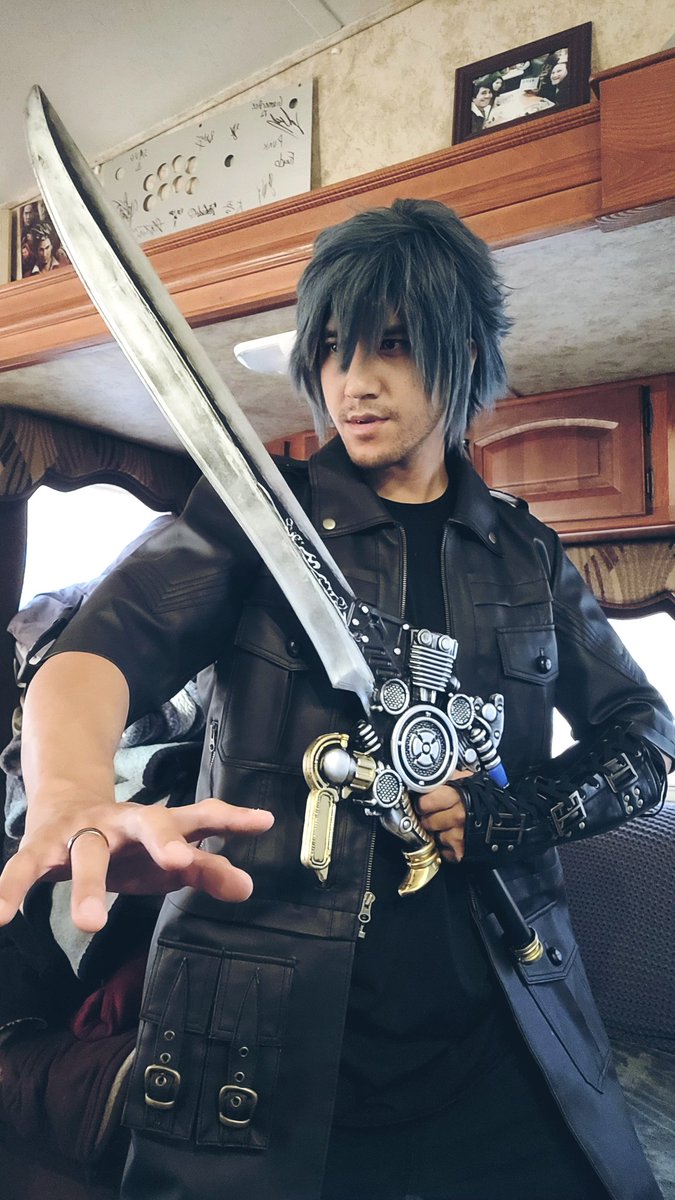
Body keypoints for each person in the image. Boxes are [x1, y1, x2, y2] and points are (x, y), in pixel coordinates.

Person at [0, 199, 672, 1200]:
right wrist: (65, 791)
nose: (351, 381)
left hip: (509, 1032)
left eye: (391, 345)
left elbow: (644, 735)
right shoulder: (253, 522)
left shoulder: (527, 556)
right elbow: (99, 652)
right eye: (329, 349)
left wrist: (521, 810)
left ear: (462, 355)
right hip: (261, 1052)